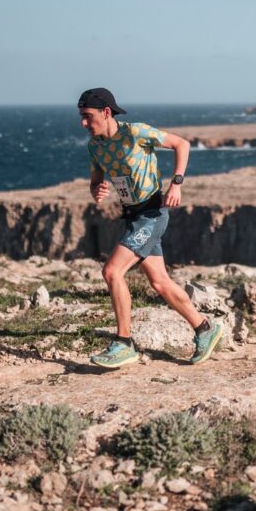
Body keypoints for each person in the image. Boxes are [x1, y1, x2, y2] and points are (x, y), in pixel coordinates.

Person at [77, 87, 221, 368]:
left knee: (112, 271)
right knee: (160, 282)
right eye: (81, 117)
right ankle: (205, 329)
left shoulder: (136, 133)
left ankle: (123, 343)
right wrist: (97, 189)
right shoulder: (95, 146)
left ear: (106, 113)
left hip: (152, 213)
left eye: (88, 116)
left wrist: (176, 184)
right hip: (133, 215)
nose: (83, 123)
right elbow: (96, 181)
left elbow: (182, 144)